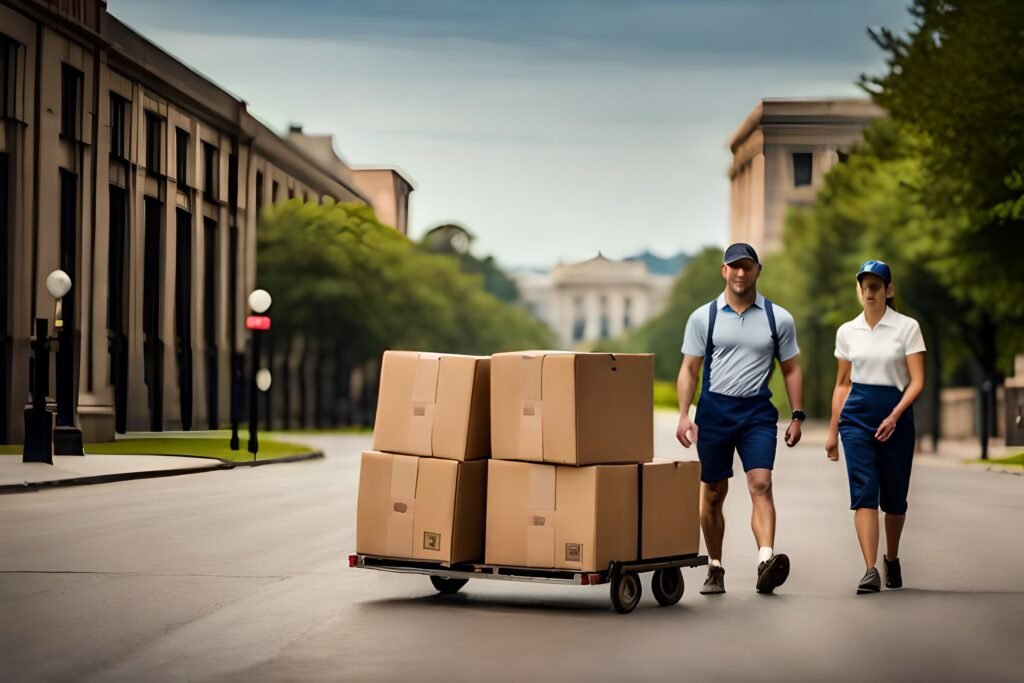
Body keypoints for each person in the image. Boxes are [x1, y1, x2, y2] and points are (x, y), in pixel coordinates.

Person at [676, 243, 805, 595]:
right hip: (715, 411)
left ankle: (765, 560)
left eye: (747, 267)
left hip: (757, 413)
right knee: (714, 492)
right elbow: (690, 369)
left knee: (761, 483)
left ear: (757, 271)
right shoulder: (704, 317)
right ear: (724, 272)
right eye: (734, 267)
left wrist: (796, 415)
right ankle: (715, 567)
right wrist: (685, 414)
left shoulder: (779, 318)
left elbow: (791, 369)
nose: (740, 273)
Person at [825, 260, 926, 594]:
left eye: (876, 287)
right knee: (864, 491)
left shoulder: (907, 328)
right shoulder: (847, 332)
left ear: (888, 290)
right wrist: (832, 430)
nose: (869, 293)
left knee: (894, 499)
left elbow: (917, 381)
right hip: (856, 416)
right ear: (859, 290)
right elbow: (842, 384)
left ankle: (891, 558)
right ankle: (870, 569)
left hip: (896, 415)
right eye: (864, 287)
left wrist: (895, 415)